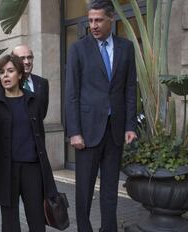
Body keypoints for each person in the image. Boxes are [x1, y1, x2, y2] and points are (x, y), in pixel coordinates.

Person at [65, 1, 137, 231]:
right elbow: (71, 93)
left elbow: (130, 90)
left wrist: (130, 126)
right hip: (86, 132)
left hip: (115, 130)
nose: (93, 25)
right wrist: (74, 131)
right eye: (91, 20)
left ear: (111, 19)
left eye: (98, 20)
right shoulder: (78, 48)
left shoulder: (126, 48)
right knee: (84, 190)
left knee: (110, 189)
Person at [0, 54, 58, 232]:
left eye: (10, 71)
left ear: (20, 74)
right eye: (1, 72)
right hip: (5, 169)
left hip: (32, 168)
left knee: (37, 219)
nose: (5, 76)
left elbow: (39, 134)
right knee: (9, 222)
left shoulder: (34, 99)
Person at [0, 45, 49, 119]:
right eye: (22, 58)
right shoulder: (2, 84)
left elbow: (42, 113)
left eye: (29, 57)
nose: (27, 62)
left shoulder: (42, 83)